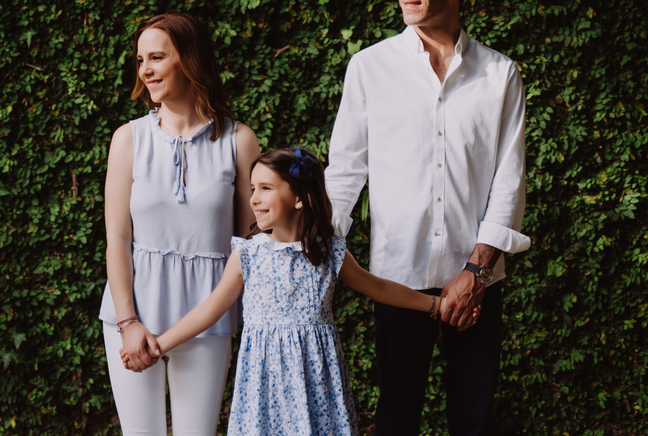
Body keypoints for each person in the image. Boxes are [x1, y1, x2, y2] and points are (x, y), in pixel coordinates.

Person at [324, 0, 531, 436]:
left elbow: (508, 181)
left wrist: (475, 273)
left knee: (472, 420)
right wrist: (316, 247)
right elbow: (345, 171)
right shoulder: (369, 67)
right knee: (395, 419)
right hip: (398, 277)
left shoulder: (500, 75)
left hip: (476, 278)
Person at [126, 147, 468, 436]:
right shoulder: (248, 254)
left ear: (300, 198)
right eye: (252, 188)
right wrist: (159, 345)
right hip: (263, 387)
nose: (254, 198)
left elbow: (377, 286)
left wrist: (436, 304)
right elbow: (210, 309)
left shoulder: (329, 253)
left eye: (266, 188)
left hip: (316, 383)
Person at [100, 12, 261, 436]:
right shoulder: (128, 139)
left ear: (190, 59)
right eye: (140, 60)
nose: (145, 70)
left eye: (156, 57)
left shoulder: (240, 141)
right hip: (132, 316)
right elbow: (117, 239)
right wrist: (128, 323)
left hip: (209, 318)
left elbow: (250, 245)